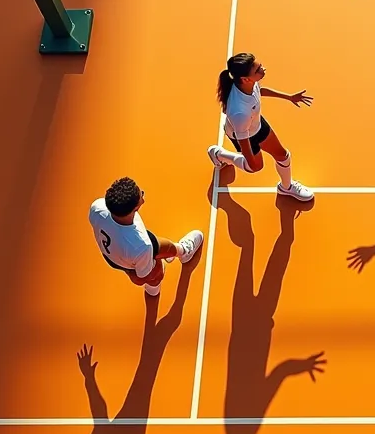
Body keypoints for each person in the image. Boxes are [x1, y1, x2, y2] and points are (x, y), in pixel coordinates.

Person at [206, 52, 315, 202]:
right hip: (244, 134)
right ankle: (219, 154)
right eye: (258, 70)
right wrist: (249, 160)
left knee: (282, 155)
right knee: (255, 167)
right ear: (245, 79)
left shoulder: (248, 84)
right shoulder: (239, 112)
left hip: (256, 124)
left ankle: (286, 187)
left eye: (260, 66)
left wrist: (289, 97)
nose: (263, 69)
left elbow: (259, 90)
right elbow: (243, 140)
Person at [88, 176, 204, 296]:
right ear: (135, 208)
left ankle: (152, 291)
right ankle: (184, 252)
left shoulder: (97, 207)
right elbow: (142, 277)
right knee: (156, 269)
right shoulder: (142, 245)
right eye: (141, 194)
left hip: (111, 258)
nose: (143, 195)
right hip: (134, 251)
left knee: (142, 263)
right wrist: (153, 269)